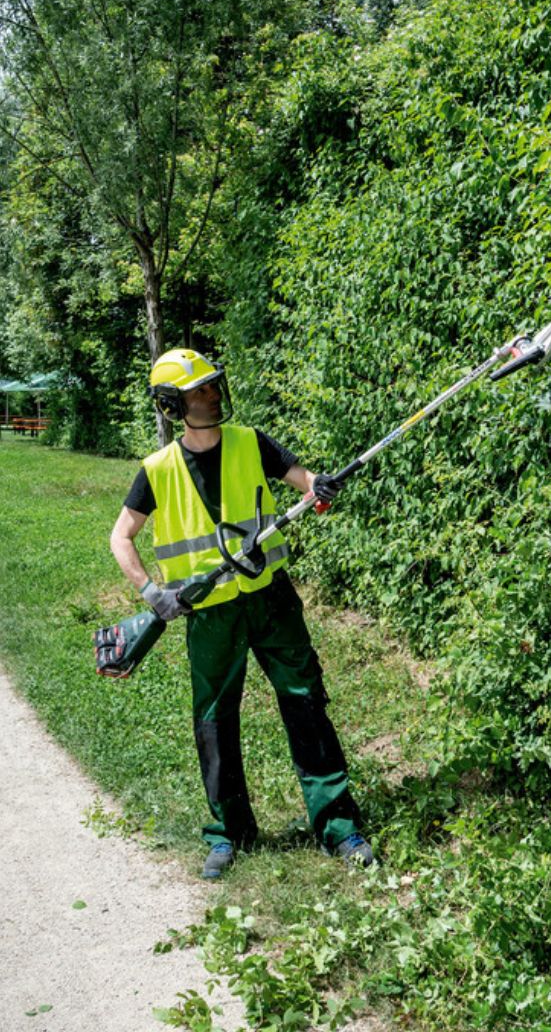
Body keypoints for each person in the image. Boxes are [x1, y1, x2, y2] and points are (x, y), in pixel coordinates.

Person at [109, 347, 373, 878]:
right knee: (214, 722)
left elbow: (303, 479)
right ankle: (229, 834)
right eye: (199, 390)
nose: (212, 395)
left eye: (213, 385)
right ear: (172, 405)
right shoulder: (157, 470)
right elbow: (121, 536)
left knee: (305, 703)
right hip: (210, 617)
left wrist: (319, 486)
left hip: (271, 600)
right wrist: (152, 593)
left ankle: (338, 827)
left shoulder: (252, 441)